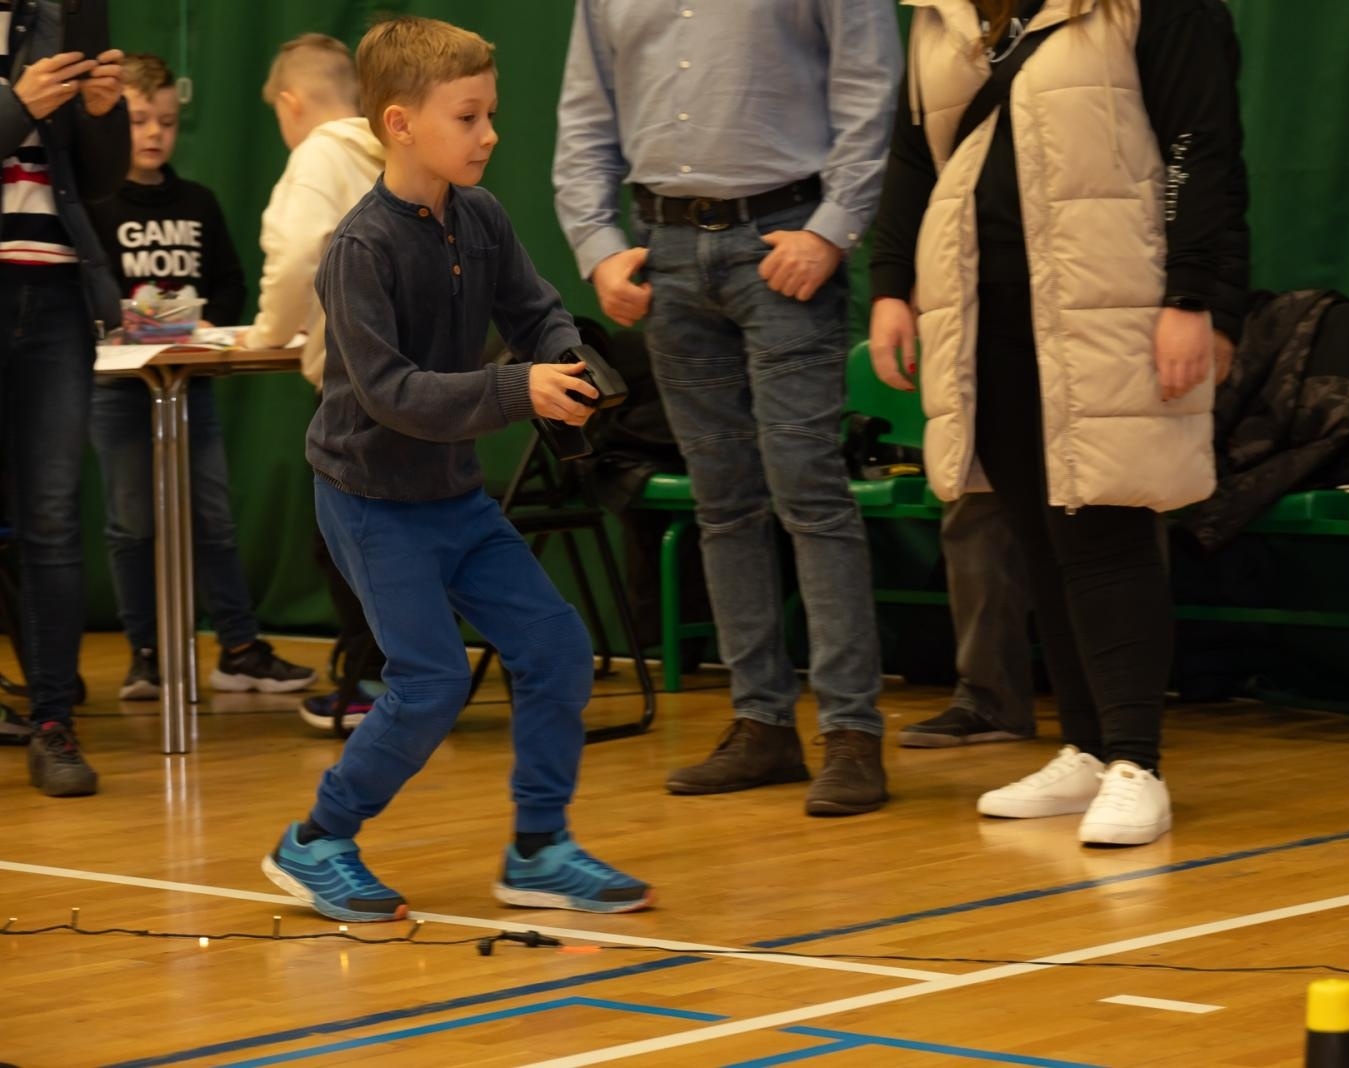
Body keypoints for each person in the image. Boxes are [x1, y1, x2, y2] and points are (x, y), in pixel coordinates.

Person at [262, 15, 651, 921]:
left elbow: (535, 308)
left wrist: (572, 361)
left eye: (489, 114)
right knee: (430, 678)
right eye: (469, 117)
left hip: (450, 494)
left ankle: (538, 850)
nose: (489, 134)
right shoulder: (359, 249)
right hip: (368, 498)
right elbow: (394, 392)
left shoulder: (478, 216)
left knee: (556, 647)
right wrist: (521, 389)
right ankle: (316, 841)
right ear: (400, 124)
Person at [870, 0, 1247, 845]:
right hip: (980, 308)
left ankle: (1135, 762)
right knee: (1037, 526)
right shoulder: (943, 15)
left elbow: (1203, 146)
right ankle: (1083, 747)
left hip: (1108, 302)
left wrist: (1194, 295)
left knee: (1104, 521)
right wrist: (892, 283)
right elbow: (910, 153)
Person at [555, 0, 901, 816]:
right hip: (665, 253)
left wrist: (835, 229)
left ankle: (851, 734)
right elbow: (585, 116)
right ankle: (761, 725)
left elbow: (869, 90)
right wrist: (597, 249)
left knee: (809, 493)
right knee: (724, 504)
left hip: (785, 238)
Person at [88, 52, 317, 702]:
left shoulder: (199, 202)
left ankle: (239, 649)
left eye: (165, 120)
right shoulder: (98, 205)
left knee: (212, 519)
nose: (155, 133)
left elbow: (231, 280)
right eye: (139, 120)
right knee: (131, 523)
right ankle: (148, 655)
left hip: (192, 384)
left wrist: (200, 324)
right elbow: (88, 291)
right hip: (119, 390)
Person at [238, 33, 388, 734]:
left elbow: (298, 251)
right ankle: (399, 676)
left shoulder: (317, 156)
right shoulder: (388, 150)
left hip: (353, 382)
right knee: (399, 530)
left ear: (292, 104)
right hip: (416, 373)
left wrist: (269, 333)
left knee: (343, 537)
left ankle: (369, 685)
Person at [0, 1, 126, 796]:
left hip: (54, 293)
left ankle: (54, 723)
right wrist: (19, 104)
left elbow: (102, 179)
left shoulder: (60, 13)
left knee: (52, 517)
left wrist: (102, 115)